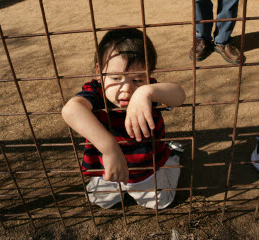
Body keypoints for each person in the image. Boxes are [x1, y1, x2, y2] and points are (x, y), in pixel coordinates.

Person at [62, 28, 186, 209]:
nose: (126, 88)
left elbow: (179, 96)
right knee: (99, 200)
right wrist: (110, 149)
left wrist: (146, 92)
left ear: (149, 74)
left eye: (137, 79)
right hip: (108, 166)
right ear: (99, 71)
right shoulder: (96, 93)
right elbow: (71, 110)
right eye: (115, 77)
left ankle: (172, 157)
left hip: (145, 168)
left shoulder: (149, 91)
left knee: (160, 203)